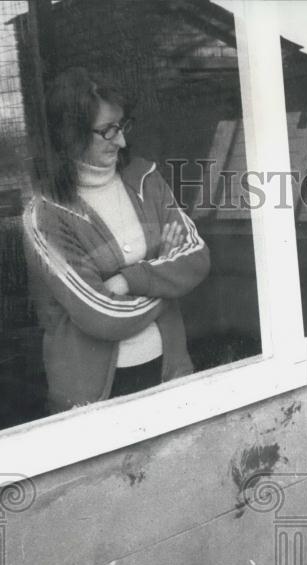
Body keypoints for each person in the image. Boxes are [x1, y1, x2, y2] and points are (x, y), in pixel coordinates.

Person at [22, 67, 209, 413]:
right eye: (107, 131)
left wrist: (127, 280)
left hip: (169, 369)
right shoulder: (46, 215)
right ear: (70, 134)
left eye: (122, 126)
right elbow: (102, 315)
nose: (121, 141)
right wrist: (166, 282)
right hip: (94, 396)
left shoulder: (145, 177)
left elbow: (197, 257)